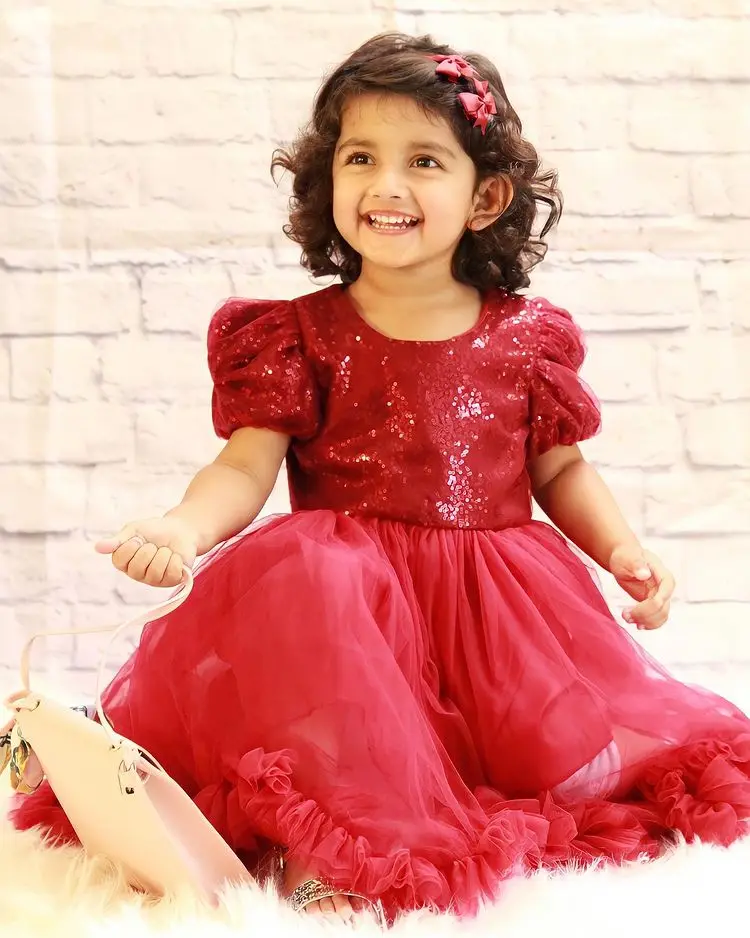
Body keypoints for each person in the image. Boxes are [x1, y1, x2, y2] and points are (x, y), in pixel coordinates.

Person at [8, 31, 750, 926]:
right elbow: (243, 465)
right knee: (321, 602)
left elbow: (561, 467)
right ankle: (342, 832)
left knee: (555, 765)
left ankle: (457, 791)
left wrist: (622, 549)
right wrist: (182, 527)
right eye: (360, 158)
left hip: (493, 610)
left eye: (423, 161)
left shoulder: (526, 338)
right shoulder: (296, 335)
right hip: (349, 615)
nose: (386, 184)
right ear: (327, 180)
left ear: (486, 198)